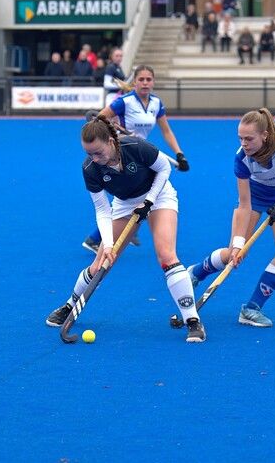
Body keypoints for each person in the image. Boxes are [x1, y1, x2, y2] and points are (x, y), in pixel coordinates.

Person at [44, 115, 206, 343]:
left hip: (158, 196)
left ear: (111, 141)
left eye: (98, 152)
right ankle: (71, 305)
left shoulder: (135, 146)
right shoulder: (90, 168)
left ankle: (193, 320)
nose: (94, 158)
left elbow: (164, 169)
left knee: (166, 256)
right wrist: (108, 244)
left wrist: (149, 201)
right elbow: (102, 210)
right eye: (89, 153)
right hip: (124, 203)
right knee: (101, 263)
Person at [187, 108, 275, 327]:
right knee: (234, 255)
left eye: (249, 138)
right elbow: (244, 204)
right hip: (256, 199)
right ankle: (196, 272)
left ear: (265, 135)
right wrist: (239, 244)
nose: (244, 143)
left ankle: (251, 309)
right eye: (240, 138)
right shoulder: (241, 159)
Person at [82, 66, 190, 252]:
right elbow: (98, 121)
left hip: (140, 152)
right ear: (135, 82)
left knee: (142, 189)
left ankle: (124, 232)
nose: (145, 83)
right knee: (129, 194)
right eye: (141, 79)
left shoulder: (156, 103)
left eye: (149, 79)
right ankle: (98, 237)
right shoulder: (124, 102)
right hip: (120, 151)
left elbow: (166, 130)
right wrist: (120, 133)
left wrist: (179, 154)